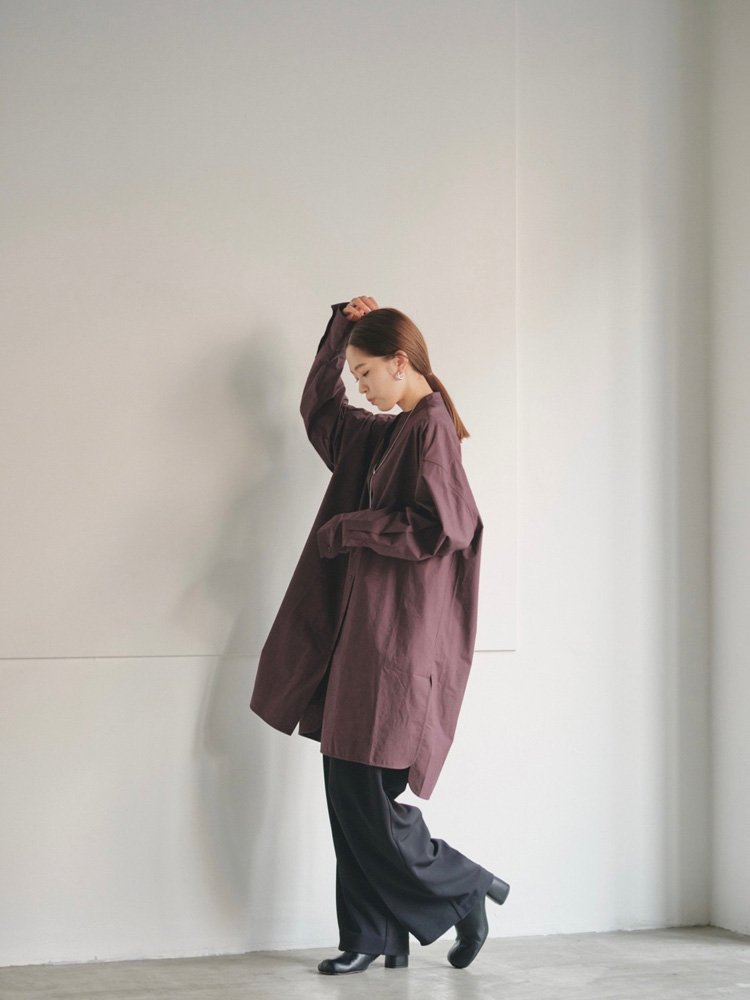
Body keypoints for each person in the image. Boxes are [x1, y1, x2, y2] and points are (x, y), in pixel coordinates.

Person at [250, 295, 510, 974]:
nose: (360, 386)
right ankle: (371, 937)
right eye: (356, 374)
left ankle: (465, 887)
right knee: (348, 793)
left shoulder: (431, 430)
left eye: (366, 372)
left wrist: (352, 527)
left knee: (364, 796)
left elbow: (446, 527)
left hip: (399, 645)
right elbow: (319, 410)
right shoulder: (380, 435)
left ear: (401, 363)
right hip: (358, 640)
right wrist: (340, 327)